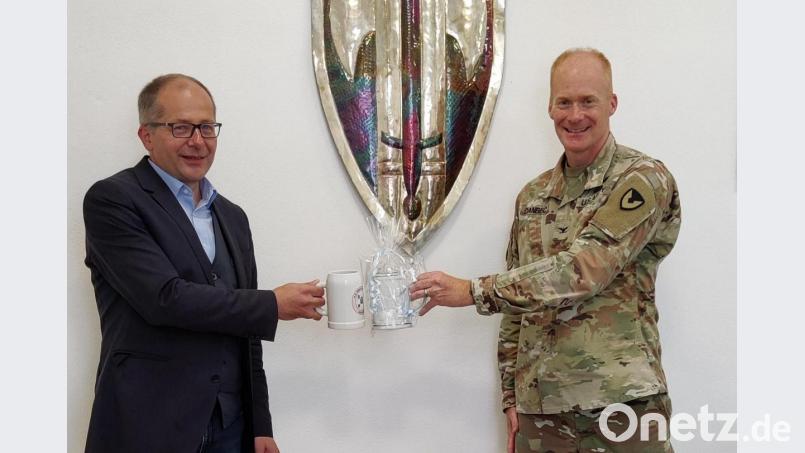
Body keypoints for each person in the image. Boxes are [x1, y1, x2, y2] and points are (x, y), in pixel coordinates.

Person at [409, 48, 681, 452]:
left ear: (612, 103)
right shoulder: (533, 196)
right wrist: (510, 397)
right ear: (550, 108)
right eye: (564, 102)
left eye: (588, 101)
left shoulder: (642, 179)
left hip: (621, 404)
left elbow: (585, 268)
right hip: (542, 411)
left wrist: (473, 291)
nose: (575, 115)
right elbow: (519, 304)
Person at [82, 74, 325, 453]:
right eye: (181, 127)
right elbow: (164, 298)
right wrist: (272, 304)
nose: (198, 141)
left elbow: (248, 335)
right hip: (147, 424)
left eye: (207, 127)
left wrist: (260, 425)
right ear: (146, 135)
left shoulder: (233, 217)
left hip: (231, 429)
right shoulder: (113, 200)